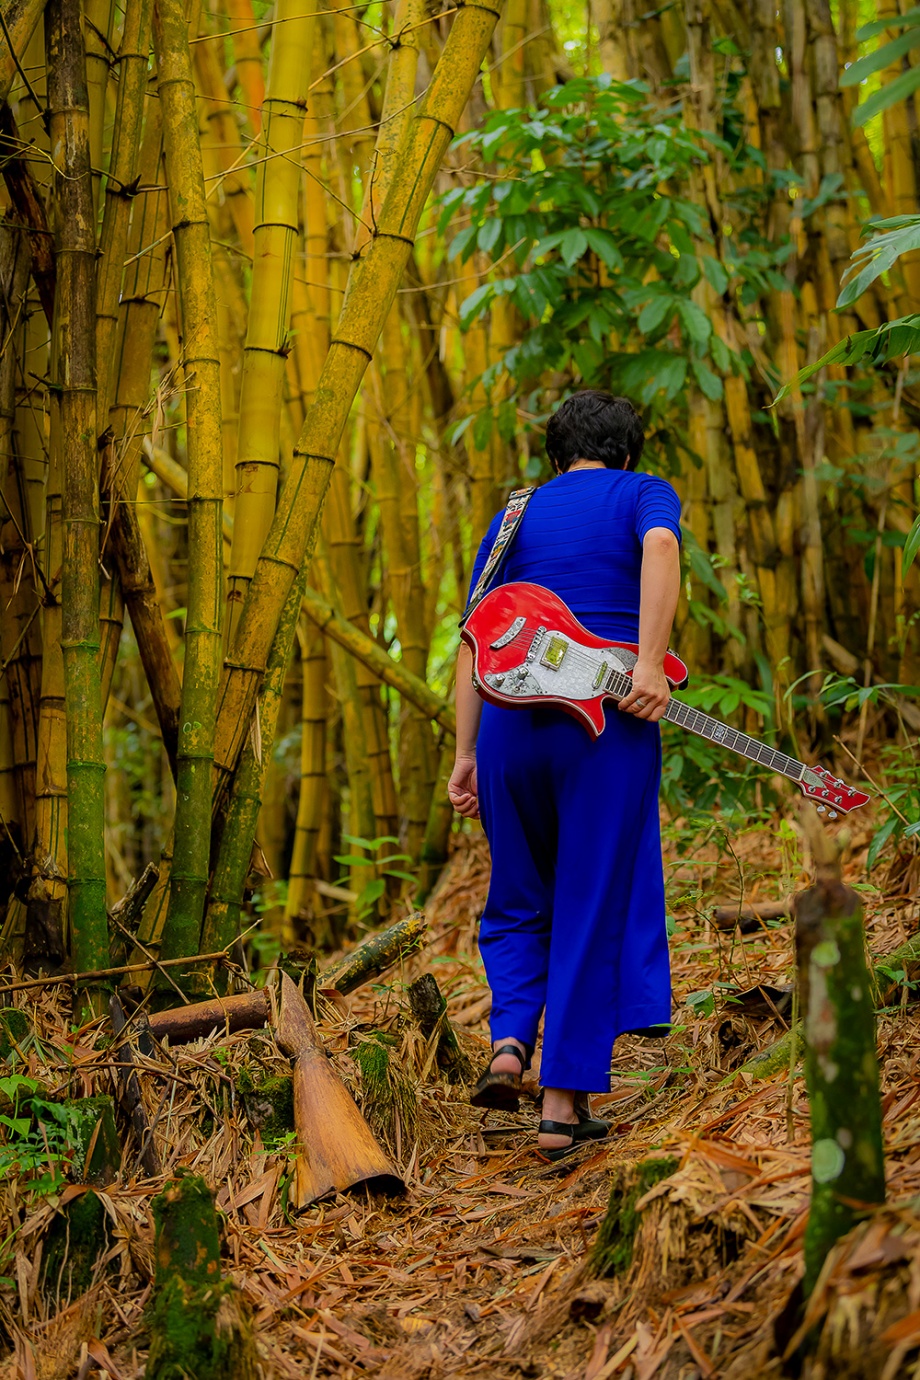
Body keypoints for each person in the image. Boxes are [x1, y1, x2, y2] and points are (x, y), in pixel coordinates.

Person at [448, 390, 682, 1160]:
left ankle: (510, 1039)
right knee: (592, 899)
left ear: (556, 456)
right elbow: (660, 550)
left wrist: (465, 755)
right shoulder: (644, 493)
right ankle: (559, 1105)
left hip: (510, 727)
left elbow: (473, 639)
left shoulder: (517, 511)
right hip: (606, 723)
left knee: (517, 896)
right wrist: (648, 662)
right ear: (627, 452)